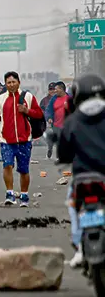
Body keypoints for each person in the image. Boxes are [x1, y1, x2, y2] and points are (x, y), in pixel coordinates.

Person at [56, 74, 105, 267]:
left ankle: (79, 248)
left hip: (83, 177)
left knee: (73, 206)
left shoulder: (72, 121)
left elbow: (64, 153)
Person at [0, 71, 43, 207]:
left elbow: (39, 114)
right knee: (7, 165)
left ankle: (24, 195)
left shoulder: (28, 97)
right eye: (8, 82)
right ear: (5, 84)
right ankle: (10, 194)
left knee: (24, 170)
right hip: (6, 141)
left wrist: (26, 110)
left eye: (13, 82)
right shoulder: (0, 100)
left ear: (19, 82)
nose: (11, 84)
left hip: (24, 140)